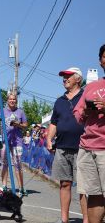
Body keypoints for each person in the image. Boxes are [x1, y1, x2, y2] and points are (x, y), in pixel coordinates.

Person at [46, 67, 88, 223]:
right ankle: (64, 219)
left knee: (84, 188)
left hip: (82, 147)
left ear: (78, 78)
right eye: (63, 77)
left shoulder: (86, 97)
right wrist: (49, 139)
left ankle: (86, 220)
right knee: (64, 184)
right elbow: (54, 123)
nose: (64, 79)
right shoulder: (59, 101)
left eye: (68, 76)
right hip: (62, 147)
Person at [73, 45, 105, 223]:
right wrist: (84, 112)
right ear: (100, 61)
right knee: (94, 195)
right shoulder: (91, 86)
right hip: (87, 147)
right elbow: (78, 114)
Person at [0, 93, 28, 196]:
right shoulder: (2, 111)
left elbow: (25, 126)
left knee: (18, 165)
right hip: (5, 141)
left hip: (17, 142)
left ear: (16, 100)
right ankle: (4, 186)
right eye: (10, 99)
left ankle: (21, 188)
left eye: (14, 99)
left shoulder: (20, 112)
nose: (12, 101)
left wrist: (17, 124)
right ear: (7, 100)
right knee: (4, 164)